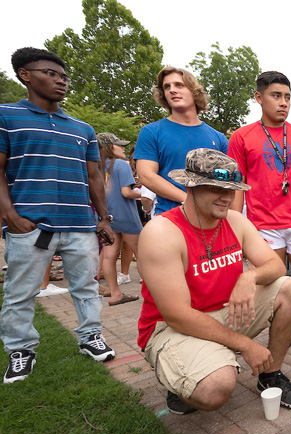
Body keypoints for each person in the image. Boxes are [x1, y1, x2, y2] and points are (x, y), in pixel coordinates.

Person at [137, 148, 291, 414]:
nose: (227, 198)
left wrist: (249, 276)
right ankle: (182, 378)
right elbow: (177, 315)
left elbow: (274, 265)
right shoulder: (161, 232)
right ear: (191, 186)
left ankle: (270, 375)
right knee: (216, 386)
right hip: (172, 328)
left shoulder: (235, 221)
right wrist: (245, 345)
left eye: (231, 189)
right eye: (217, 189)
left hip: (224, 312)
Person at [0, 47, 116, 383]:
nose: (60, 81)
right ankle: (21, 351)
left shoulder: (82, 128)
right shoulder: (6, 116)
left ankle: (90, 336)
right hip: (31, 225)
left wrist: (103, 218)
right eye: (50, 74)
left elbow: (94, 176)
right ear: (25, 74)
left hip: (80, 224)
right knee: (21, 292)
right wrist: (10, 215)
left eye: (63, 76)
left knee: (86, 286)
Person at [227, 71, 291, 329]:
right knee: (273, 286)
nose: (284, 102)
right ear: (259, 98)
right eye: (276, 96)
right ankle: (260, 335)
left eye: (288, 97)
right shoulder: (241, 137)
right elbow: (237, 186)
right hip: (263, 225)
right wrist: (236, 227)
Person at [134, 66, 229, 216]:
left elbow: (226, 180)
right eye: (167, 87)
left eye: (179, 85)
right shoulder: (151, 132)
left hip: (211, 219)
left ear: (194, 91)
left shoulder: (218, 137)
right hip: (169, 218)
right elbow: (146, 175)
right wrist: (188, 200)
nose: (172, 90)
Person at [97, 133, 142, 306]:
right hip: (126, 215)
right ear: (109, 147)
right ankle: (153, 293)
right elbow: (126, 192)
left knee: (109, 256)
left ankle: (115, 293)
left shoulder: (96, 166)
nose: (122, 148)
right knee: (141, 253)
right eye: (119, 145)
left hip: (106, 217)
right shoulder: (121, 165)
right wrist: (143, 193)